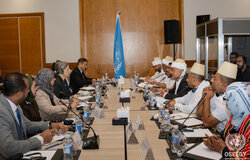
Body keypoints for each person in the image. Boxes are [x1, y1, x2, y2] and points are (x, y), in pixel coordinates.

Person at [0, 72, 68, 159]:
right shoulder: (2, 112)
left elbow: (27, 125)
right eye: (28, 89)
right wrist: (41, 139)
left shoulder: (14, 103)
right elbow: (8, 148)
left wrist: (50, 124)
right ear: (19, 93)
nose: (30, 91)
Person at [203, 82, 250, 159]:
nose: (227, 103)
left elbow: (245, 157)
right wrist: (215, 140)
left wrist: (223, 150)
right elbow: (227, 135)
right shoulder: (236, 115)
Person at [196, 62, 237, 133]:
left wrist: (207, 99)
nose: (211, 80)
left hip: (225, 136)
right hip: (215, 131)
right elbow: (199, 114)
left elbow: (206, 123)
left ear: (224, 85)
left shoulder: (226, 100)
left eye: (215, 79)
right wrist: (204, 97)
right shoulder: (214, 92)